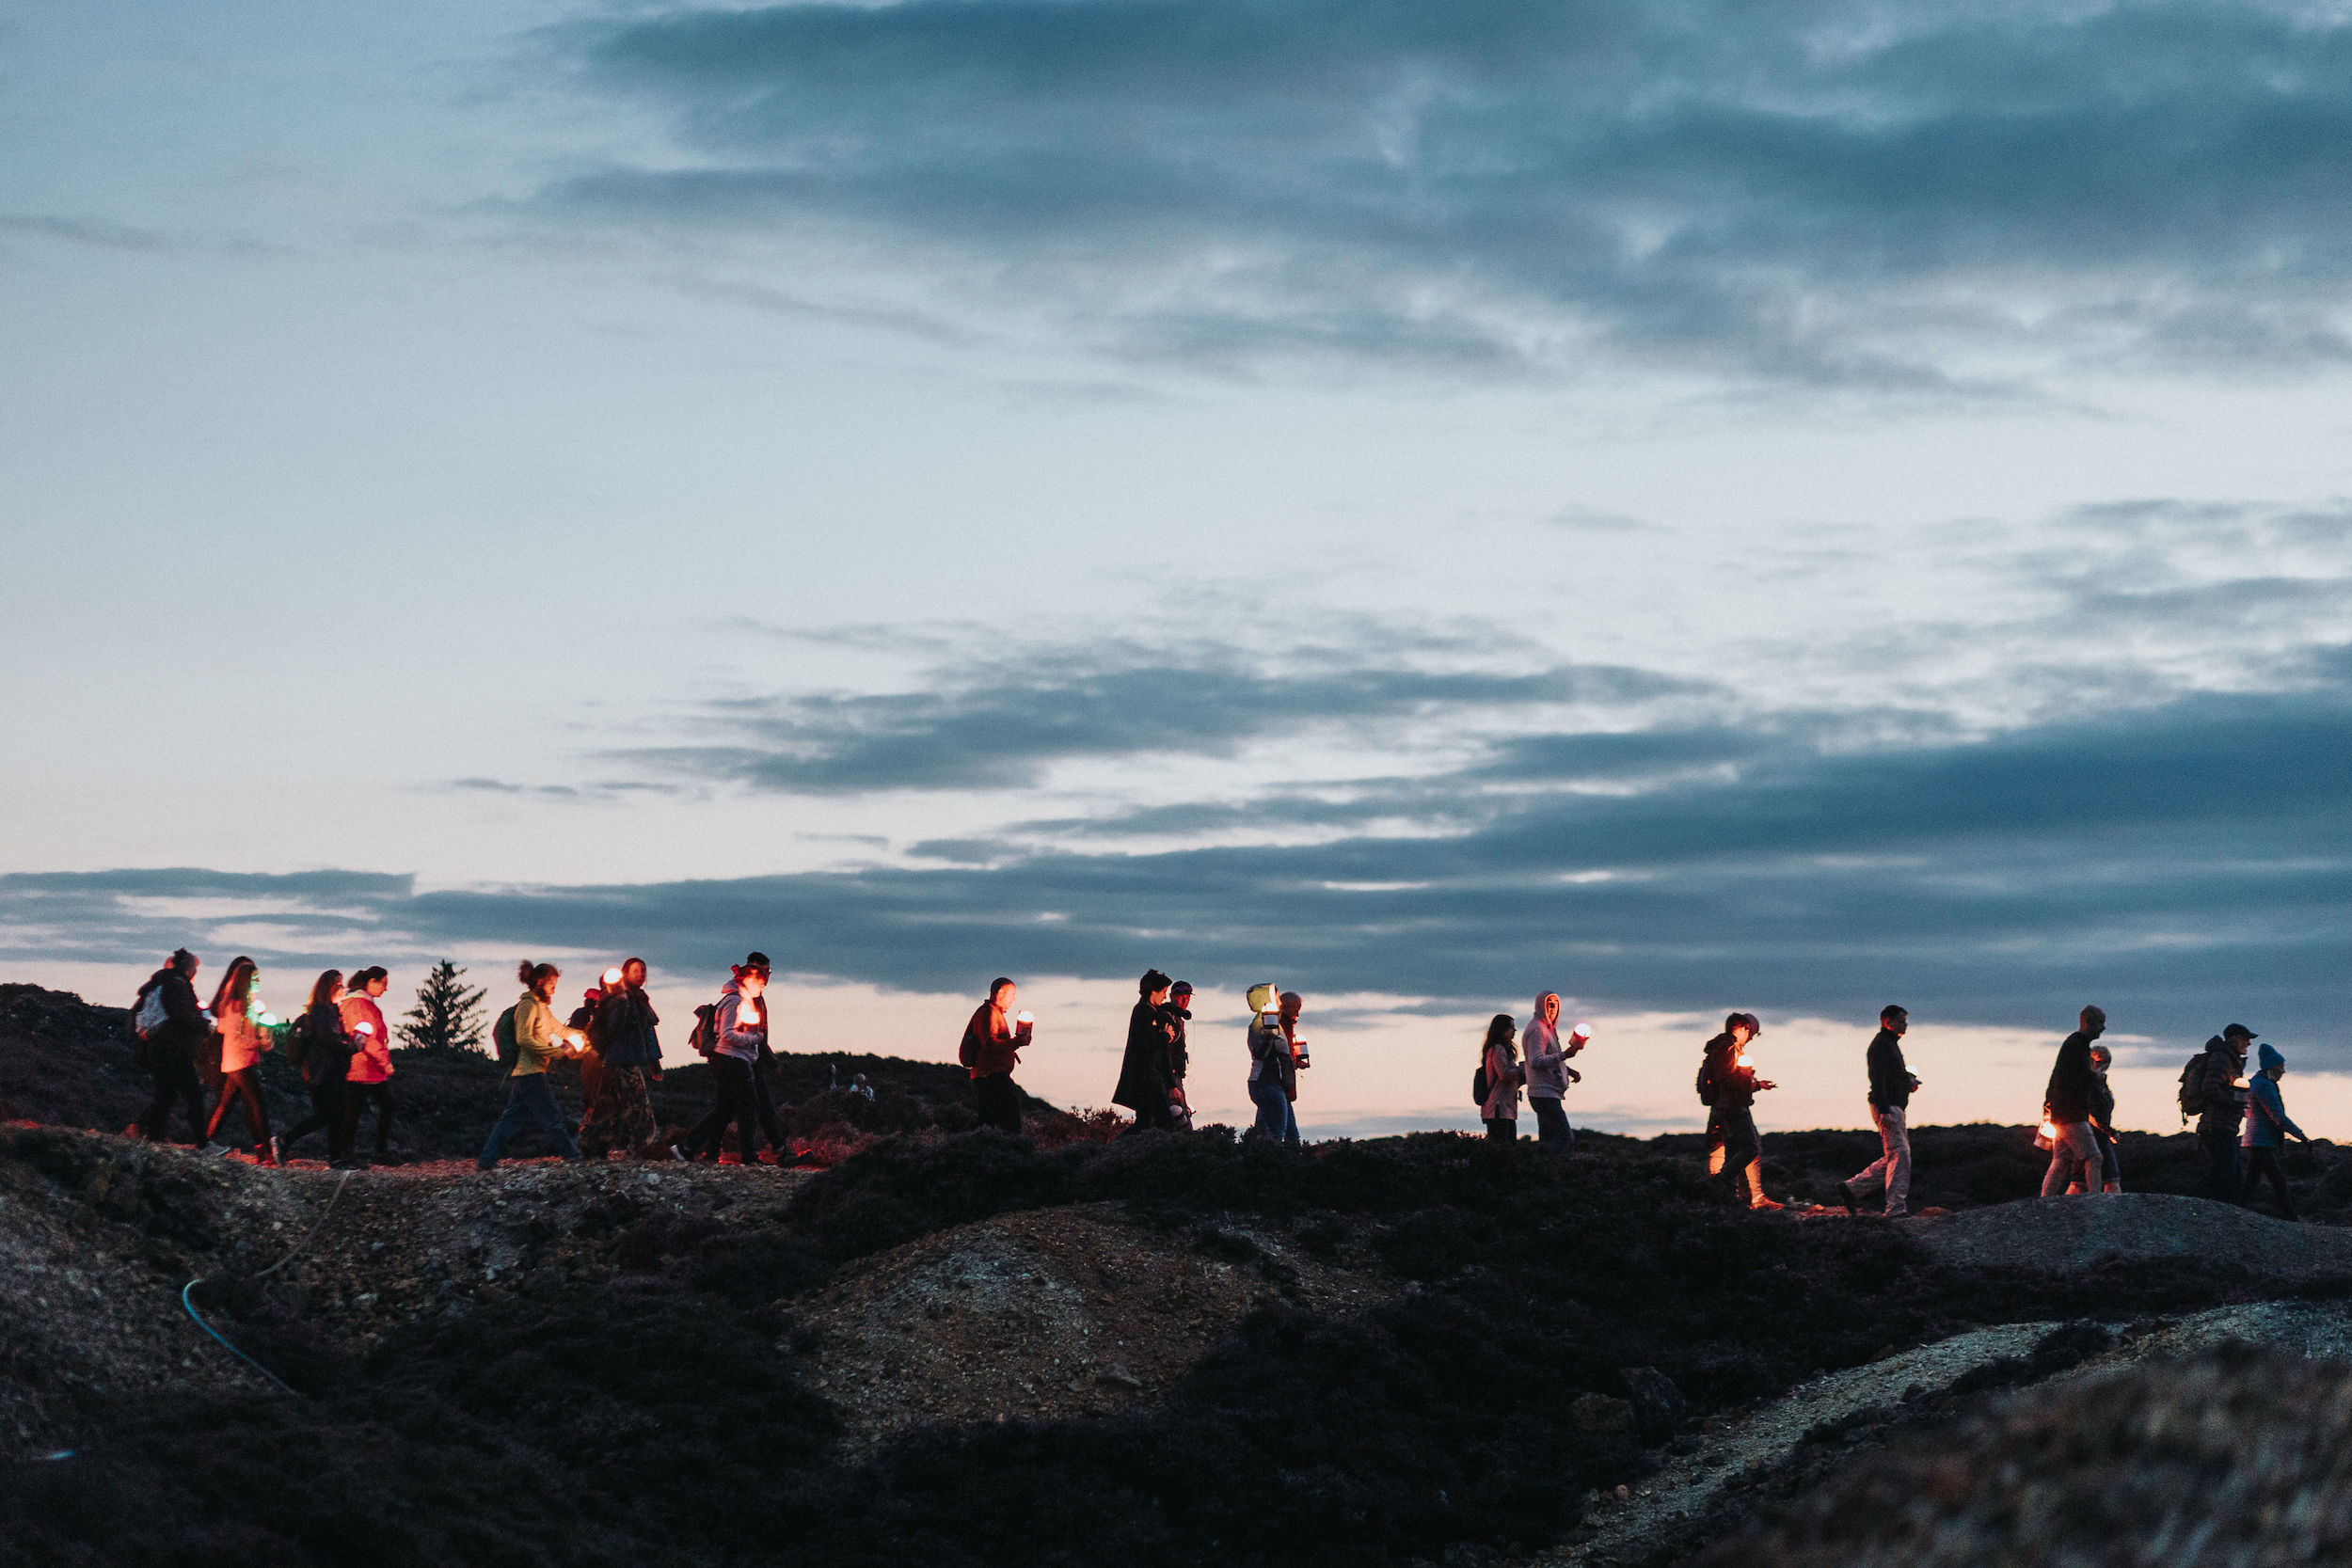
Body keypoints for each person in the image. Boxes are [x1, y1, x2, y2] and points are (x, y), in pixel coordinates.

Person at [478, 961, 587, 1169]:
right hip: (530, 1073)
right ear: (540, 982)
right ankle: (572, 1157)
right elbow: (524, 1039)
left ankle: (486, 1161)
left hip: (527, 1074)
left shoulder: (541, 1008)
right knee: (552, 1116)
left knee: (510, 1120)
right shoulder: (528, 1006)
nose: (554, 991)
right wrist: (556, 1052)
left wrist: (581, 1037)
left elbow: (559, 1029)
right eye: (552, 985)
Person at [684, 955, 771, 1164]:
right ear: (750, 979)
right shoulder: (735, 1001)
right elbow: (727, 1034)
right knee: (749, 1108)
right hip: (732, 1061)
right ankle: (749, 1157)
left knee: (724, 1110)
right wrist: (754, 1039)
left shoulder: (740, 999)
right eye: (760, 980)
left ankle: (688, 1148)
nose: (763, 984)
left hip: (731, 1060)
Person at [1837, 1005, 1918, 1218]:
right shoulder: (1882, 1045)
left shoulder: (1889, 1044)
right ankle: (1895, 1209)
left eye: (1905, 1021)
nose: (1905, 1024)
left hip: (1893, 1106)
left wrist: (1907, 1081)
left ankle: (1852, 1188)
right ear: (1887, 1022)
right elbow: (1877, 1078)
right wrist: (1884, 1110)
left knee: (1895, 1155)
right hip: (1888, 1106)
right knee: (1899, 1155)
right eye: (1901, 1021)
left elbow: (1888, 1076)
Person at [581, 958, 662, 1160]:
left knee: (612, 1106)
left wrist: (654, 1063)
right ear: (625, 973)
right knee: (634, 1106)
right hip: (618, 1060)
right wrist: (621, 1000)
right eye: (636, 970)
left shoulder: (639, 999)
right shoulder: (616, 998)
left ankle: (595, 1146)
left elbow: (647, 1032)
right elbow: (614, 1028)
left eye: (643, 970)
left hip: (628, 1059)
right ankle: (640, 1147)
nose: (641, 974)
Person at [131, 948, 211, 1147]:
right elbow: (180, 1015)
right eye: (195, 968)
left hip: (159, 1047)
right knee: (192, 1095)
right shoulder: (177, 985)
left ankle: (152, 1136)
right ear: (189, 968)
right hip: (173, 1048)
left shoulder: (158, 984)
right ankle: (202, 1142)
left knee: (165, 1094)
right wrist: (203, 1025)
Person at [1701, 1012, 1780, 1211]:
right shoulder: (1728, 1048)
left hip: (1724, 1106)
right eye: (1753, 1032)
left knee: (1731, 1150)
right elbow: (1727, 1079)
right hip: (1731, 1107)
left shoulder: (1723, 1047)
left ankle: (1732, 1197)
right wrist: (1749, 1081)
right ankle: (1722, 1184)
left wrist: (1756, 1084)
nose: (1752, 1037)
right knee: (1749, 1148)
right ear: (1743, 1028)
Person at [282, 971, 361, 1168]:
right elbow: (329, 1040)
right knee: (330, 1115)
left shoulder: (331, 1010)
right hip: (325, 1072)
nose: (343, 988)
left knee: (332, 1116)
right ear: (329, 988)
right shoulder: (322, 1011)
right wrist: (353, 1046)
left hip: (328, 1070)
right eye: (339, 984)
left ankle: (335, 1158)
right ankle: (287, 1142)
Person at [202, 956, 277, 1163]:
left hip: (243, 1061)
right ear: (245, 980)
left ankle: (205, 1140)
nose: (259, 981)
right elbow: (234, 1037)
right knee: (257, 1104)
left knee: (228, 1104)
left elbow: (252, 1035)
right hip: (239, 1062)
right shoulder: (236, 1005)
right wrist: (257, 1043)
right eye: (255, 978)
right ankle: (267, 1152)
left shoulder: (249, 1005)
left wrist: (265, 1039)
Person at [2040, 1006, 2106, 1198]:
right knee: (2094, 1157)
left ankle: (2045, 1201)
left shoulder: (2074, 1044)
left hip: (2061, 1113)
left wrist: (2048, 1106)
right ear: (2088, 1022)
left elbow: (2057, 1077)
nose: (2103, 1028)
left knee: (2062, 1159)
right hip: (2071, 1114)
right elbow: (2071, 1078)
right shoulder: (2076, 1045)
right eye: (2101, 1023)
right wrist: (2095, 1078)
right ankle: (2096, 1201)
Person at [2240, 1042, 2311, 1221]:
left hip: (2256, 1140)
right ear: (2272, 1067)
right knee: (2276, 1181)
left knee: (2253, 1181)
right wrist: (2301, 1136)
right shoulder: (2264, 1086)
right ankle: (2293, 1218)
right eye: (2281, 1067)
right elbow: (2278, 1117)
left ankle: (2237, 1210)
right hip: (2260, 1141)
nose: (2283, 1071)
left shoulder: (2257, 1083)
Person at [2186, 1026, 2254, 1200]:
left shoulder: (2228, 1059)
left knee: (2229, 1176)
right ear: (2235, 1038)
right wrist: (2233, 1103)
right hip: (2217, 1126)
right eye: (2246, 1038)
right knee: (2226, 1178)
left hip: (2224, 1126)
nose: (2249, 1043)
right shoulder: (2222, 1058)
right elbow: (2210, 1088)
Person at [340, 966, 396, 1165]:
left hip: (366, 1067)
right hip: (363, 1067)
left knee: (357, 1110)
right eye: (384, 984)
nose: (385, 989)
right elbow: (368, 1038)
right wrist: (385, 1062)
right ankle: (353, 1154)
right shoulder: (359, 1005)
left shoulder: (359, 1003)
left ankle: (354, 1153)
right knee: (359, 1111)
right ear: (372, 981)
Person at [960, 977, 1030, 1133]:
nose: (1013, 999)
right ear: (1000, 993)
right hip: (991, 1075)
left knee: (989, 1118)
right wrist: (1016, 1042)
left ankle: (965, 1143)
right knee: (1009, 1112)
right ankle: (1012, 1146)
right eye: (1012, 994)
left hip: (988, 1074)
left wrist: (1016, 1042)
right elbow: (990, 1045)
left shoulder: (993, 1013)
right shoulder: (989, 1014)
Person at [1114, 970, 1180, 1132]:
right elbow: (1146, 1043)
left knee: (1144, 1123)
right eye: (1163, 992)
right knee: (1165, 1124)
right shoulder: (1143, 1011)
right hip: (1147, 1078)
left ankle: (1113, 1150)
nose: (1165, 997)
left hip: (1147, 1077)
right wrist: (1165, 1036)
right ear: (1153, 991)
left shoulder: (1149, 1011)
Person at [1522, 992, 1585, 1146]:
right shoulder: (1538, 1029)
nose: (1552, 1007)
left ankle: (1541, 1166)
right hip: (1544, 1093)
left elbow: (1547, 1057)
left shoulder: (1547, 1029)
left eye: (1555, 1003)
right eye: (1548, 1003)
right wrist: (1564, 1055)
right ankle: (1543, 1165)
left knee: (1547, 1138)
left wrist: (1568, 1070)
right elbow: (1536, 1061)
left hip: (1546, 1093)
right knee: (1564, 1137)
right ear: (1540, 1006)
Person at [1243, 984, 1299, 1147]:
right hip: (1266, 1083)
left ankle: (1288, 1164)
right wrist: (1268, 1039)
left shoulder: (1274, 1023)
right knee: (1276, 1134)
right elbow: (1260, 1054)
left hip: (1276, 1085)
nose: (1279, 1001)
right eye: (1276, 996)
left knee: (1290, 1135)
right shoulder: (1259, 1024)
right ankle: (1271, 1165)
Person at [2077, 1043, 2123, 1195]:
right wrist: (2109, 1131)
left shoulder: (2100, 1082)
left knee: (2081, 1180)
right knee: (2110, 1178)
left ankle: (2064, 1209)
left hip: (2096, 1134)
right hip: (2093, 1134)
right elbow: (2091, 1111)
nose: (2103, 1065)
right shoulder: (2090, 1083)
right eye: (2099, 1061)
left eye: (2106, 1062)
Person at [1479, 1013, 1523, 1140]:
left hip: (1504, 1108)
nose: (1514, 1030)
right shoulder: (1498, 1049)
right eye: (1511, 1027)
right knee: (1503, 1146)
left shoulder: (1501, 1049)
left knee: (1505, 1146)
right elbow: (1503, 1074)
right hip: (1499, 1107)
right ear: (1501, 1030)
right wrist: (1520, 1070)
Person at [1167, 981, 1195, 1129]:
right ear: (1171, 996)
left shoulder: (1179, 1019)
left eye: (1188, 997)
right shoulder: (1168, 1017)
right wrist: (1171, 1083)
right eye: (1181, 996)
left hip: (1176, 1076)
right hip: (1171, 1078)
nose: (1185, 1000)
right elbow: (1164, 1050)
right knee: (1181, 1119)